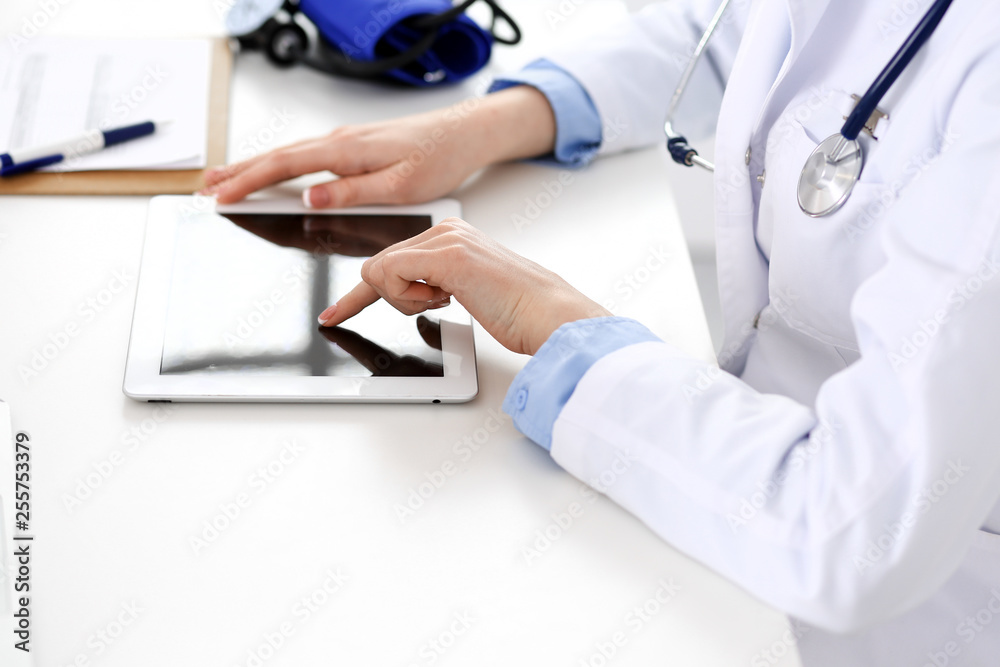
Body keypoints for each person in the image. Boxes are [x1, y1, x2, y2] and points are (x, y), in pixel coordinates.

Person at [201, 1, 1000, 663]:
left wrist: (572, 335)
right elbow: (728, 33)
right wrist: (495, 123)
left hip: (910, 610)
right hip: (734, 517)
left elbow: (854, 533)